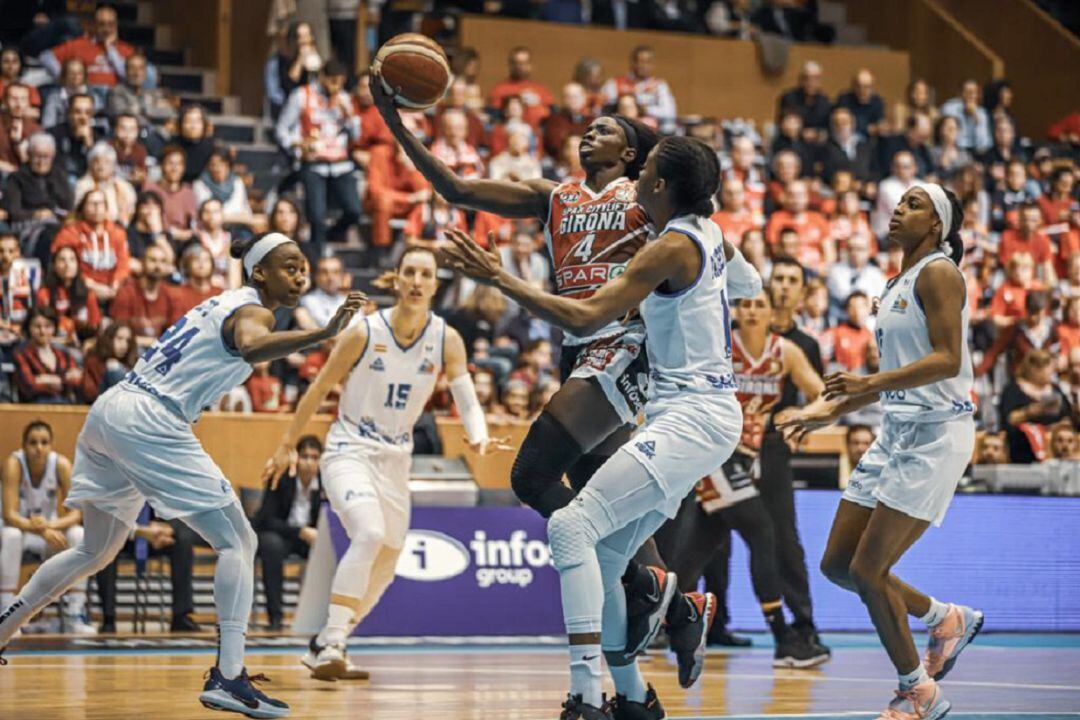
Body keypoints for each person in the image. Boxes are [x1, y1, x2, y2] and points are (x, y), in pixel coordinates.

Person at [442, 135, 762, 719]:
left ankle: (586, 696)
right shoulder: (709, 232)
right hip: (701, 414)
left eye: (650, 166)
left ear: (659, 186)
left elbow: (588, 315)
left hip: (691, 416)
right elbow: (752, 287)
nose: (638, 172)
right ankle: (636, 698)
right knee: (607, 562)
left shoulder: (668, 248)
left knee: (569, 530)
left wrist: (499, 278)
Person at [0, 232, 367, 718]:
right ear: (259, 272)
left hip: (113, 411)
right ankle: (229, 677)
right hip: (153, 418)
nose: (301, 275)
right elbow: (254, 347)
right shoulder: (254, 310)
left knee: (94, 550)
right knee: (239, 541)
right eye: (290, 267)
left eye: (304, 267)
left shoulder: (225, 302)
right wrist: (323, 334)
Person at [779, 182, 981, 720]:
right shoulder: (897, 282)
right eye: (901, 201)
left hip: (937, 435)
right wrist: (822, 410)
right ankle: (943, 618)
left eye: (914, 204)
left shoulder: (940, 272)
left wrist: (866, 384)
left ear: (936, 225)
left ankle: (918, 691)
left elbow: (944, 360)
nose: (898, 209)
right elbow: (890, 384)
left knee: (869, 571)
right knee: (838, 566)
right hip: (896, 432)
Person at [264, 246, 501, 680]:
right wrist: (287, 444)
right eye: (408, 271)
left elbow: (465, 392)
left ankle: (325, 644)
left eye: (424, 274)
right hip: (349, 447)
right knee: (370, 533)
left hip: (396, 458)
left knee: (389, 561)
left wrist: (479, 433)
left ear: (435, 284)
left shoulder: (446, 337)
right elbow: (318, 389)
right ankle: (333, 639)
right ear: (396, 278)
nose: (415, 280)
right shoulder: (364, 331)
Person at [653, 289, 829, 668]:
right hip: (715, 454)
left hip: (749, 459)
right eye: (744, 304)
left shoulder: (786, 353)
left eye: (757, 305)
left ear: (771, 312)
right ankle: (784, 639)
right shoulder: (720, 348)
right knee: (762, 533)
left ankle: (648, 623)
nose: (750, 311)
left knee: (696, 551)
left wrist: (801, 415)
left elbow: (823, 396)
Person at [761, 256, 830, 655]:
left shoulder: (805, 346)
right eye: (779, 278)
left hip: (773, 450)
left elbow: (822, 403)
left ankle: (803, 625)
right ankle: (705, 624)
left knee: (786, 540)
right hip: (729, 447)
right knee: (709, 539)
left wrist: (800, 417)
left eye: (792, 280)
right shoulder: (741, 332)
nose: (784, 286)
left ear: (803, 292)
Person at [1, 421, 94, 634]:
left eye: (44, 442)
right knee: (11, 535)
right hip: (22, 532)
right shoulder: (13, 464)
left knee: (79, 534)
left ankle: (75, 613)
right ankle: (6, 614)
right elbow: (8, 515)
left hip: (49, 534)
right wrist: (42, 529)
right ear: (24, 445)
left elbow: (76, 513)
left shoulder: (61, 465)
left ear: (51, 445)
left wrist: (50, 525)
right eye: (33, 442)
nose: (39, 448)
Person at [275, 58, 362, 261]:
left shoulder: (345, 99)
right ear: (322, 76)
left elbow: (357, 136)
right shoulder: (301, 96)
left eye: (340, 82)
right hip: (313, 162)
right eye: (332, 81)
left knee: (354, 211)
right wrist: (297, 145)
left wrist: (348, 115)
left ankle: (333, 233)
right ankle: (318, 257)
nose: (335, 87)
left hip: (340, 163)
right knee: (316, 216)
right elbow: (281, 130)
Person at [253, 435, 323, 632]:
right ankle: (276, 618)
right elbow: (265, 520)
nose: (309, 462)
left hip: (312, 540)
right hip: (282, 537)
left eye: (314, 457)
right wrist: (300, 532)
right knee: (271, 545)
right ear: (296, 458)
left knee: (331, 548)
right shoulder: (281, 478)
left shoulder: (327, 485)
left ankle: (327, 618)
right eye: (305, 457)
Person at [51, 188, 131, 306]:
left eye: (100, 203)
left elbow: (123, 264)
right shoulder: (70, 233)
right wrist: (90, 285)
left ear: (106, 208)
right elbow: (60, 265)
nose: (96, 207)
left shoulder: (118, 233)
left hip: (113, 290)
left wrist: (116, 284)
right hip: (80, 290)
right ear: (83, 208)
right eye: (92, 203)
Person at [110, 244, 177, 348]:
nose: (158, 266)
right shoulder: (127, 292)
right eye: (153, 260)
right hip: (131, 349)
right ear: (142, 263)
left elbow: (174, 333)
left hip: (160, 350)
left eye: (162, 261)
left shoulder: (169, 293)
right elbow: (119, 334)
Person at [36, 244, 102, 347]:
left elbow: (95, 326)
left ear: (78, 265)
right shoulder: (44, 293)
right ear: (54, 265)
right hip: (53, 342)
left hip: (82, 343)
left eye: (72, 259)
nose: (67, 264)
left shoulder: (87, 293)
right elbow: (38, 328)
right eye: (62, 260)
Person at [13, 307, 84, 403]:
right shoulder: (21, 354)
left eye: (47, 326)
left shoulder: (64, 354)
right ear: (28, 328)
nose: (42, 331)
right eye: (37, 326)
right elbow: (29, 386)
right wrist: (63, 380)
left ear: (54, 328)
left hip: (65, 406)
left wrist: (46, 380)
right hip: (34, 408)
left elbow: (77, 381)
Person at [601, 46, 677, 133]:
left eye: (648, 62)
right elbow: (603, 109)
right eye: (640, 61)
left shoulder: (659, 86)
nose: (643, 65)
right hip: (620, 131)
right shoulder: (615, 83)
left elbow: (669, 113)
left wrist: (645, 110)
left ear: (652, 65)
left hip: (653, 133)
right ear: (633, 63)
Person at [295, 256, 346, 330]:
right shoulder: (307, 301)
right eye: (324, 272)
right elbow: (327, 327)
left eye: (336, 272)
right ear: (316, 276)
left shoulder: (347, 300)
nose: (330, 277)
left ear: (343, 276)